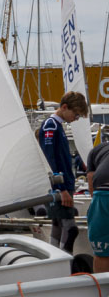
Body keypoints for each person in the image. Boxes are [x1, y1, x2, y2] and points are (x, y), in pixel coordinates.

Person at [40, 92, 89, 252]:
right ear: (65, 107)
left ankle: (55, 261)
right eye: (76, 114)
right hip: (59, 188)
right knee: (70, 229)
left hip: (63, 187)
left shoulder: (57, 126)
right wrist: (61, 189)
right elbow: (49, 159)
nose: (76, 118)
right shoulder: (51, 125)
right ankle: (64, 263)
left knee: (58, 226)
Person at [87, 140, 109, 273]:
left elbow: (91, 178)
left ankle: (103, 291)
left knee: (102, 251)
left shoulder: (97, 150)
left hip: (103, 193)